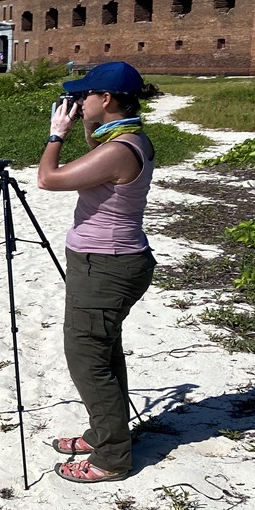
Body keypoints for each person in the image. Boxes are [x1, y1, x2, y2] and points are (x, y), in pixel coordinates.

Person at [37, 61, 155, 484]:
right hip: (111, 263)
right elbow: (96, 148)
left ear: (106, 99)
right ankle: (106, 433)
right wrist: (86, 123)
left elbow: (48, 179)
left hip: (106, 266)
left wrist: (56, 134)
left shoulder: (118, 150)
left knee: (88, 359)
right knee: (103, 353)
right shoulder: (125, 138)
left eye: (85, 95)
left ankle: (111, 458)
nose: (78, 101)